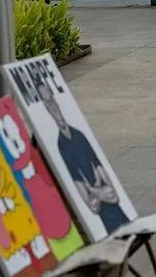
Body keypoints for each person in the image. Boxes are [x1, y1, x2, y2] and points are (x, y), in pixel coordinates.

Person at [35, 81, 129, 235]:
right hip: (104, 218)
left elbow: (108, 185)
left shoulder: (78, 135)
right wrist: (97, 195)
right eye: (47, 102)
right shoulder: (61, 145)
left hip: (114, 209)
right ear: (44, 106)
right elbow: (89, 200)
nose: (52, 105)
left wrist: (97, 191)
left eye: (51, 99)